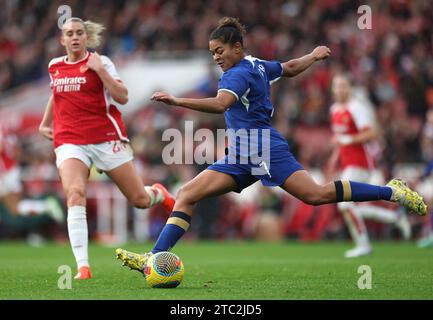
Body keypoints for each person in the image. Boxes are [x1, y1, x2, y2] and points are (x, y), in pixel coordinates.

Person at [116, 17, 427, 272]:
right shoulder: (256, 64)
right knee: (187, 193)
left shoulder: (235, 76)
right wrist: (313, 56)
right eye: (212, 53)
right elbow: (288, 67)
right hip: (241, 153)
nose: (216, 57)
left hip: (263, 148)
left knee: (315, 194)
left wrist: (176, 100)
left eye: (220, 50)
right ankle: (154, 258)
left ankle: (392, 191)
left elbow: (221, 104)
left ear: (236, 47)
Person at [39, 17, 175, 280]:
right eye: (70, 33)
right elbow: (56, 94)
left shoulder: (102, 62)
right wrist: (46, 123)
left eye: (79, 33)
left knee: (139, 200)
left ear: (86, 38)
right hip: (70, 141)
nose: (75, 37)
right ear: (62, 39)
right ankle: (83, 267)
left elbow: (123, 97)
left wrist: (100, 70)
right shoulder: (54, 66)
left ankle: (158, 192)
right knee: (75, 194)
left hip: (105, 139)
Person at [328, 75, 411, 258]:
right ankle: (395, 217)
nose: (340, 89)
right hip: (348, 163)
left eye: (344, 85)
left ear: (349, 88)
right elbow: (339, 141)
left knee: (344, 204)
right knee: (349, 206)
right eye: (337, 86)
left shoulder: (356, 107)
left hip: (361, 163)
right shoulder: (334, 109)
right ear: (333, 90)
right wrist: (334, 158)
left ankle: (364, 245)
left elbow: (372, 132)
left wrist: (348, 139)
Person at [1, 124, 64, 231]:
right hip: (10, 171)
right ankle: (46, 206)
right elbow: (17, 151)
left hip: (7, 173)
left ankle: (47, 206)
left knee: (15, 207)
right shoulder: (6, 130)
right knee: (14, 209)